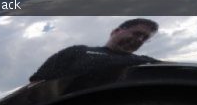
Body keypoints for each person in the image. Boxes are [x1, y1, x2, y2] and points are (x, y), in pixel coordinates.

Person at [29, 18, 159, 82]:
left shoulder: (144, 61)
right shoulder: (78, 51)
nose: (139, 40)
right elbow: (37, 82)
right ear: (116, 31)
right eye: (137, 33)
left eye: (144, 38)